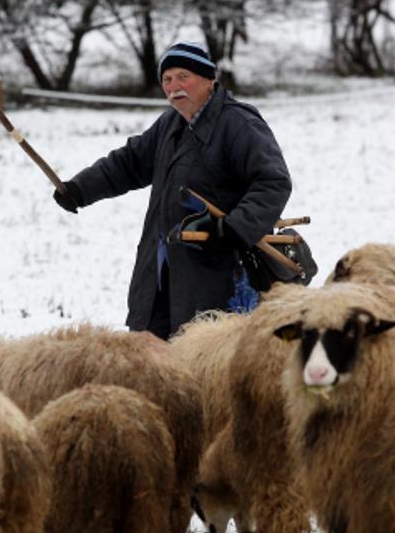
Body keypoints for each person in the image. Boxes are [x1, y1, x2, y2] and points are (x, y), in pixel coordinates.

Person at [52, 41, 292, 340]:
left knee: (204, 358)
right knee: (151, 355)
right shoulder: (169, 125)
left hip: (217, 268)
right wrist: (79, 188)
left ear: (208, 79)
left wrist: (233, 229)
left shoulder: (239, 123)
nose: (174, 86)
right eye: (167, 79)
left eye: (183, 77)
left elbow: (273, 182)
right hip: (160, 268)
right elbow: (128, 163)